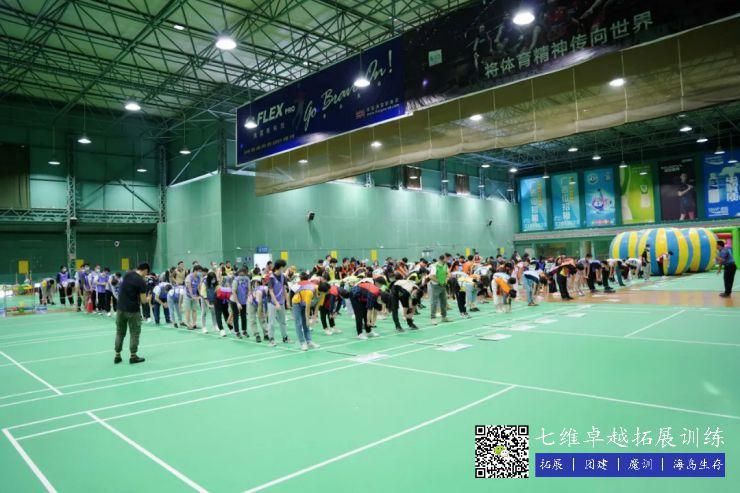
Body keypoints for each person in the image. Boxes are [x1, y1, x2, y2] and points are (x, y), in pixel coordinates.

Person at [114, 263, 150, 364]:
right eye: (147, 273)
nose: (146, 275)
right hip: (133, 311)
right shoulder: (141, 281)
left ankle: (117, 355)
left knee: (120, 332)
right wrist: (148, 298)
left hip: (120, 308)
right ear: (145, 270)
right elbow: (143, 301)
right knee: (134, 333)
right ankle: (133, 356)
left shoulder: (127, 275)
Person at [292, 272, 319, 350]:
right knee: (299, 323)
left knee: (303, 323)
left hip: (302, 302)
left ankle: (309, 341)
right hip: (297, 303)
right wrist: (309, 319)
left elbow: (316, 299)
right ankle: (302, 342)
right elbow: (309, 306)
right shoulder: (311, 287)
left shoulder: (314, 287)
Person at [267, 259, 290, 346]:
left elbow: (284, 290)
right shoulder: (271, 278)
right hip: (272, 302)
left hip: (281, 302)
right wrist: (276, 303)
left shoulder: (283, 277)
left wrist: (287, 302)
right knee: (271, 322)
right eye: (283, 267)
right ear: (280, 267)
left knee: (283, 321)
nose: (284, 269)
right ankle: (271, 339)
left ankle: (285, 337)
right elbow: (271, 291)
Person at [426, 255, 450, 325]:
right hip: (435, 286)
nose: (448, 260)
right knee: (434, 302)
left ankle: (444, 317)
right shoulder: (434, 266)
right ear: (442, 259)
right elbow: (431, 276)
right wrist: (439, 282)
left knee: (444, 301)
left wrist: (446, 280)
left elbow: (447, 274)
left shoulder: (445, 265)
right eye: (446, 259)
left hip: (443, 285)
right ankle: (433, 318)